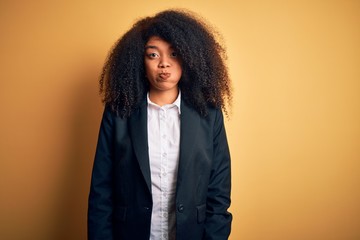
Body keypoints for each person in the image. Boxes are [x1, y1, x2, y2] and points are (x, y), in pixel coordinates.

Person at [88, 9, 232, 240]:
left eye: (174, 54)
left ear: (189, 57)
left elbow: (219, 192)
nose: (164, 64)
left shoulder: (209, 115)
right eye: (153, 55)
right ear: (139, 61)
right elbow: (101, 191)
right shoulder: (118, 114)